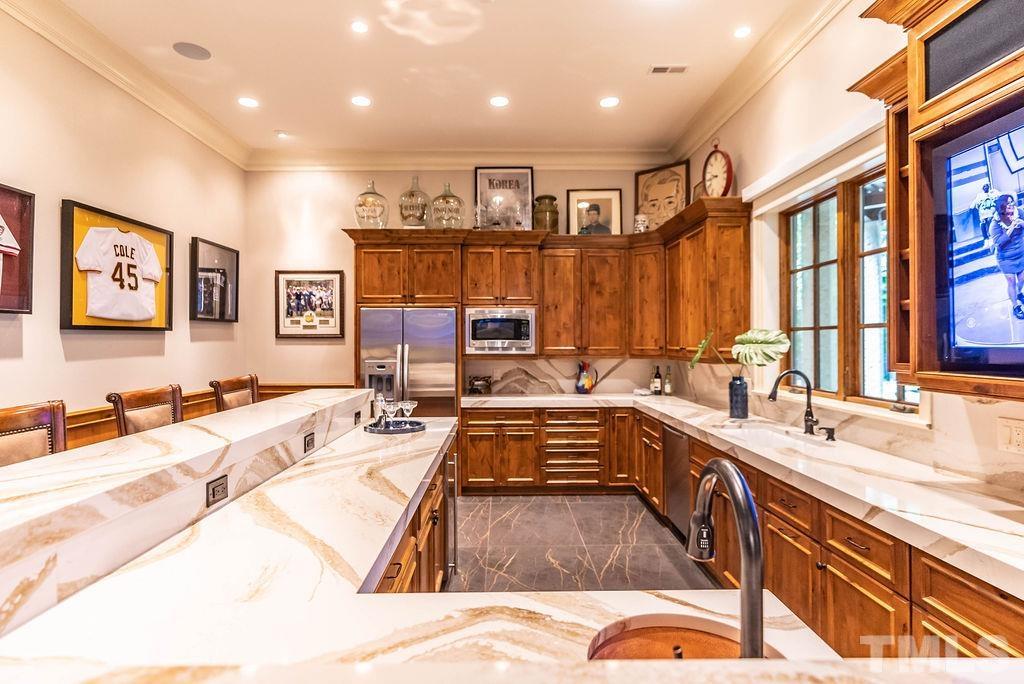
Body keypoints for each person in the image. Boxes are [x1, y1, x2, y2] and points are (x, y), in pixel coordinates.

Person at [989, 194, 1024, 320]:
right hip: (1006, 258)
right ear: (1001, 208)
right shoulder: (994, 224)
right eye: (1008, 204)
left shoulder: (1019, 213)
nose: (1011, 207)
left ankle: (1019, 293)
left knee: (1022, 280)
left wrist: (1022, 223)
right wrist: (1010, 229)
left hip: (1021, 254)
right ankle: (1016, 306)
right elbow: (998, 243)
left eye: (1012, 203)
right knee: (1011, 282)